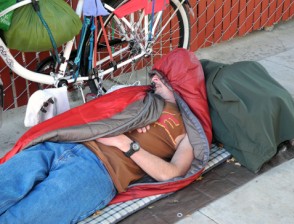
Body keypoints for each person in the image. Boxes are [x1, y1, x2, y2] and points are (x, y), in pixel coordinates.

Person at [0, 74, 195, 224]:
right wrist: (135, 115)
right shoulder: (141, 95)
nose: (154, 78)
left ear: (183, 85)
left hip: (99, 170)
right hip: (63, 144)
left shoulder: (191, 131)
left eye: (163, 77)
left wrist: (125, 144)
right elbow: (101, 106)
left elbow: (171, 174)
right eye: (156, 75)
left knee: (21, 218)